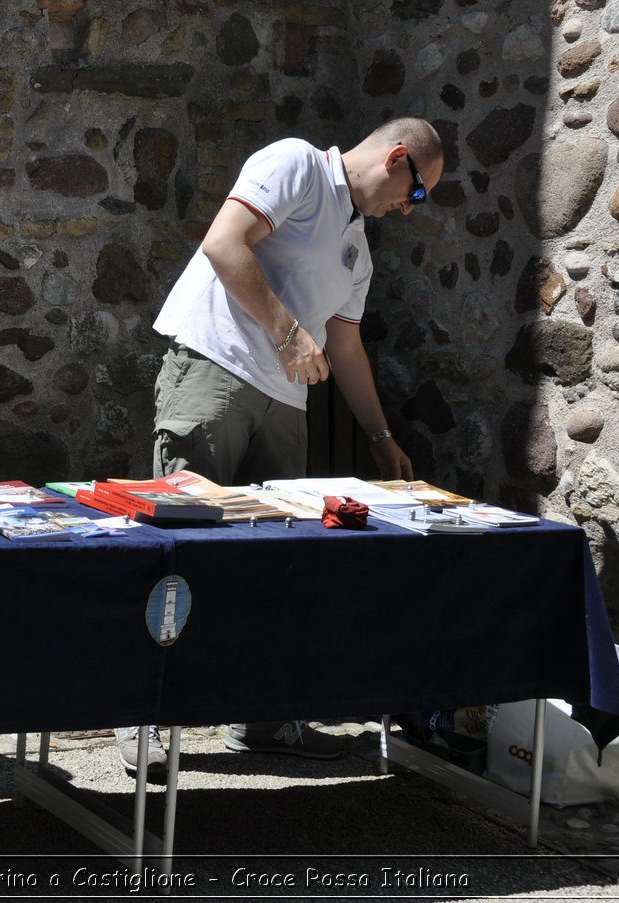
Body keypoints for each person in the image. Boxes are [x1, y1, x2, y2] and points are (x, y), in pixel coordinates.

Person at [113, 117, 444, 775]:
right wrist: (289, 332)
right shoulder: (297, 164)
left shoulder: (360, 246)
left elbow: (344, 345)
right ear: (398, 158)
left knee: (275, 565)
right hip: (214, 371)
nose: (409, 210)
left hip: (286, 406)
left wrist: (381, 439)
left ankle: (265, 716)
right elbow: (224, 242)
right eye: (419, 193)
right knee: (179, 548)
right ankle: (143, 714)